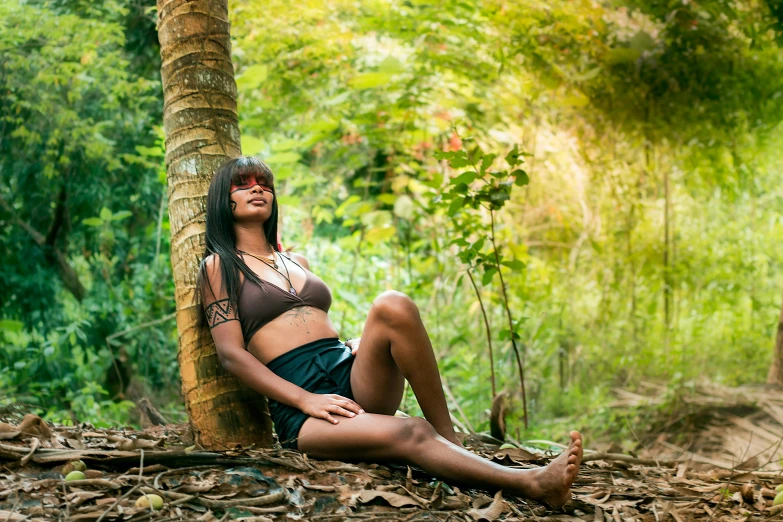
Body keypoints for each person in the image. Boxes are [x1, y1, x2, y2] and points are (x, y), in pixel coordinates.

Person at [198, 156, 583, 507]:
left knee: (392, 303)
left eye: (264, 181)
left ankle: (450, 440)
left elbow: (311, 325)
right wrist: (304, 400)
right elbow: (232, 355)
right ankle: (532, 483)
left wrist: (354, 345)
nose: (257, 187)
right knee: (410, 431)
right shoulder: (219, 267)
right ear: (223, 200)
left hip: (347, 372)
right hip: (305, 412)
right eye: (242, 183)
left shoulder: (295, 260)